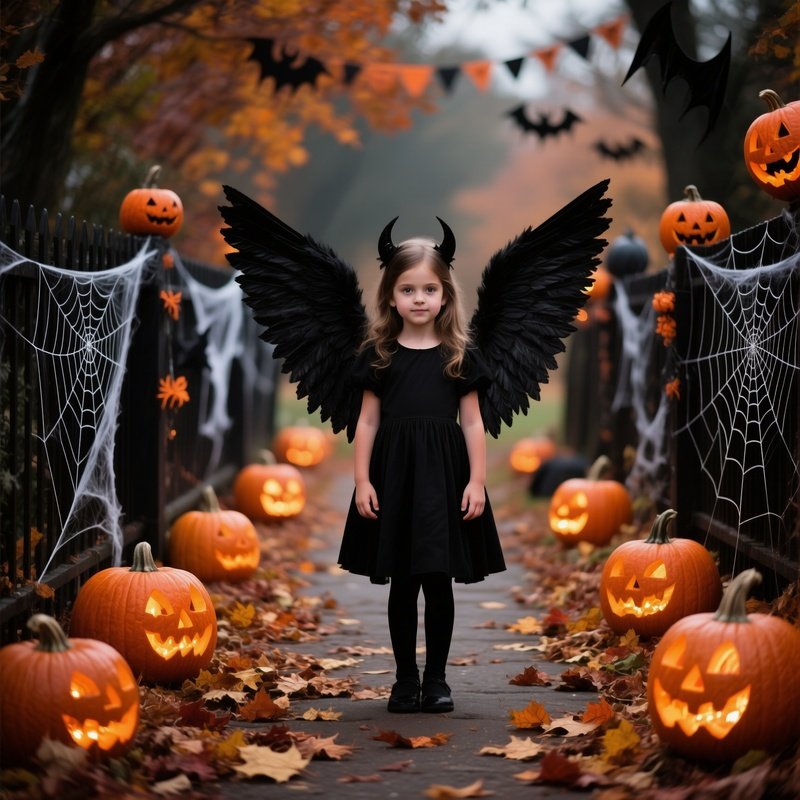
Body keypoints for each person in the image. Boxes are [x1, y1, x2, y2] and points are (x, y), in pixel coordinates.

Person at [337, 222, 506, 714]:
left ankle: (436, 679)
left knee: (438, 579)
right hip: (394, 476)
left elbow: (473, 423)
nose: (418, 299)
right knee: (402, 581)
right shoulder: (379, 355)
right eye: (407, 289)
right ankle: (404, 679)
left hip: (445, 478)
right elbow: (366, 422)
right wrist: (362, 480)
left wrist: (476, 481)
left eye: (429, 289)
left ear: (445, 296)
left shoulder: (458, 355)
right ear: (390, 296)